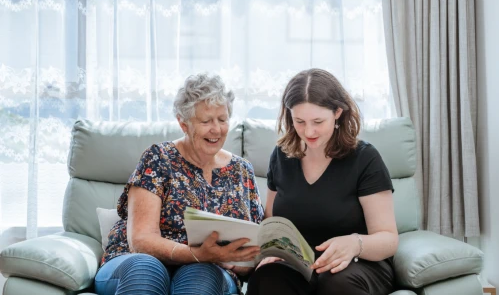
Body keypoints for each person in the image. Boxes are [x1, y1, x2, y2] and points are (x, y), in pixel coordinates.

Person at [94, 73, 264, 295]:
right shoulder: (158, 158)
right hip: (138, 262)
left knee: (202, 275)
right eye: (206, 121)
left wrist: (239, 262)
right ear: (183, 124)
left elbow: (254, 246)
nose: (217, 129)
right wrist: (196, 253)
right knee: (146, 269)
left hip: (209, 268)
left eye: (222, 119)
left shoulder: (242, 170)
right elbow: (141, 240)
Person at [246, 68, 398, 295]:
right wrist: (273, 250)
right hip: (300, 265)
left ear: (337, 112)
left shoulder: (365, 158)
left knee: (335, 282)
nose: (309, 131)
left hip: (357, 263)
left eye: (318, 121)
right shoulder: (281, 155)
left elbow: (388, 239)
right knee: (269, 276)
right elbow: (272, 222)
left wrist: (355, 243)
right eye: (299, 121)